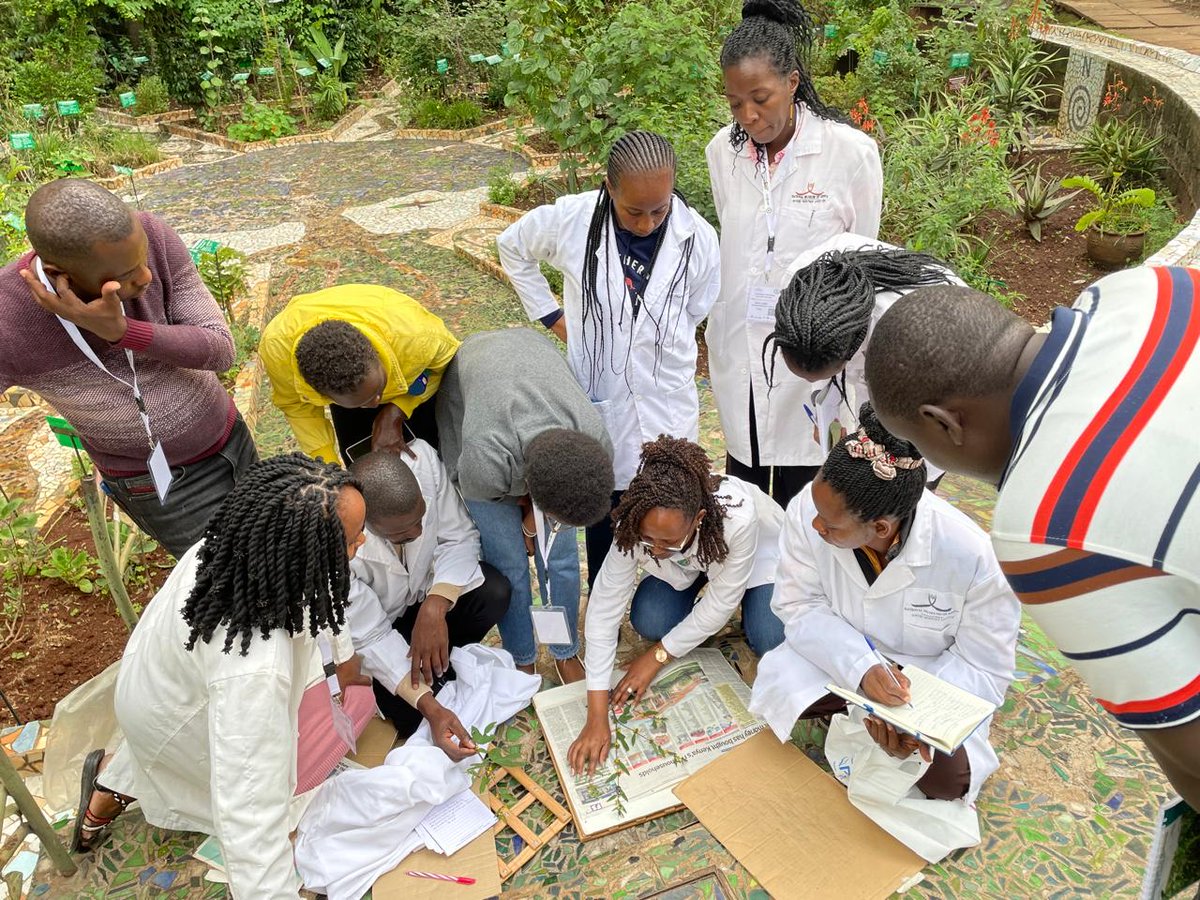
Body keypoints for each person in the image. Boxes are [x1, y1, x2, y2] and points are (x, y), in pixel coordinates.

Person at [69, 454, 481, 898]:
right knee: (274, 811)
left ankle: (109, 785)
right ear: (310, 550)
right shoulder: (253, 667)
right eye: (352, 537)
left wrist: (428, 705)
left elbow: (353, 621)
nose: (363, 541)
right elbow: (249, 813)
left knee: (236, 763)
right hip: (177, 717)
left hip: (160, 688)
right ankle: (117, 783)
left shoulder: (253, 544)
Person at [863, 267, 1200, 809]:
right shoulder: (1149, 290)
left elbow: (1188, 746)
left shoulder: (1045, 523)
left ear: (945, 423)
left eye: (914, 442)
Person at [750, 404, 1020, 803]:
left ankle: (877, 722)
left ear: (880, 528)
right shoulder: (810, 508)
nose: (814, 525)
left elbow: (984, 667)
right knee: (785, 690)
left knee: (951, 780)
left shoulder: (973, 555)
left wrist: (910, 715)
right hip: (842, 652)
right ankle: (858, 710)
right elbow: (799, 604)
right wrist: (861, 668)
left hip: (926, 679)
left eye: (830, 525)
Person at [497, 131, 721, 585]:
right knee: (606, 507)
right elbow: (512, 247)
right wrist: (553, 316)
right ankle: (605, 596)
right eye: (633, 211)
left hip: (666, 396)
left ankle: (669, 592)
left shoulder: (696, 236)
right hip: (603, 396)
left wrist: (654, 339)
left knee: (670, 500)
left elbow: (700, 303)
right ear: (608, 187)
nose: (647, 223)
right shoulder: (574, 220)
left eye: (659, 210)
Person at [0, 178, 257, 557]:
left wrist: (123, 331)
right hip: (157, 487)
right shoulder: (8, 317)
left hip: (231, 438)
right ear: (59, 275)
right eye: (124, 275)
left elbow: (220, 350)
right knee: (231, 583)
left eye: (143, 258)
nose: (145, 277)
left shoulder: (150, 231)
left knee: (274, 545)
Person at [706, 0, 882, 506]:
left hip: (812, 360)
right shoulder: (723, 152)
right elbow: (737, 243)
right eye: (735, 102)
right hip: (741, 352)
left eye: (759, 97)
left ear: (792, 82)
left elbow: (861, 264)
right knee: (742, 500)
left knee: (804, 506)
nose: (748, 115)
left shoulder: (848, 153)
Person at [568, 435, 785, 775]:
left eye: (667, 540)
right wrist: (596, 715)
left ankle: (756, 600)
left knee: (770, 636)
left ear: (698, 518)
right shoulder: (634, 525)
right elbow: (603, 610)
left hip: (755, 558)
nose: (653, 550)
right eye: (647, 539)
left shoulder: (737, 521)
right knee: (650, 619)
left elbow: (720, 604)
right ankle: (690, 576)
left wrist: (658, 656)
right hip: (692, 566)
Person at [436, 328, 614, 683]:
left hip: (529, 353)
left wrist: (536, 521)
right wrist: (524, 514)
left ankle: (564, 649)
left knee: (561, 557)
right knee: (509, 561)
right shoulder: (485, 455)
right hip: (476, 376)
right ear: (531, 488)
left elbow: (557, 524)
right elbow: (480, 487)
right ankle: (521, 655)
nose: (557, 525)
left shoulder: (595, 443)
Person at [346, 444, 511, 736]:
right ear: (366, 527)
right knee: (414, 723)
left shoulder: (422, 461)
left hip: (425, 597)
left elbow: (460, 538)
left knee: (494, 591)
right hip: (381, 628)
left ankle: (437, 662)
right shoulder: (338, 543)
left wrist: (436, 604)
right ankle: (428, 673)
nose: (419, 532)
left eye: (421, 517)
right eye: (401, 533)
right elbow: (371, 635)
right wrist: (431, 708)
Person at [765, 234, 958, 470]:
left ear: (852, 349)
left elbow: (922, 427)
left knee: (912, 470)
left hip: (947, 366)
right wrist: (825, 413)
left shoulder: (909, 332)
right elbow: (822, 361)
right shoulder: (801, 289)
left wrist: (898, 459)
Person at [259, 284, 460, 465]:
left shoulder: (416, 338)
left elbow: (448, 365)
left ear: (377, 355)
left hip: (408, 369)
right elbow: (297, 407)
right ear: (323, 395)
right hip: (350, 391)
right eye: (364, 403)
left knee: (433, 450)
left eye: (379, 391)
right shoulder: (278, 352)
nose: (376, 403)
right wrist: (329, 466)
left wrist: (397, 409)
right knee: (361, 461)